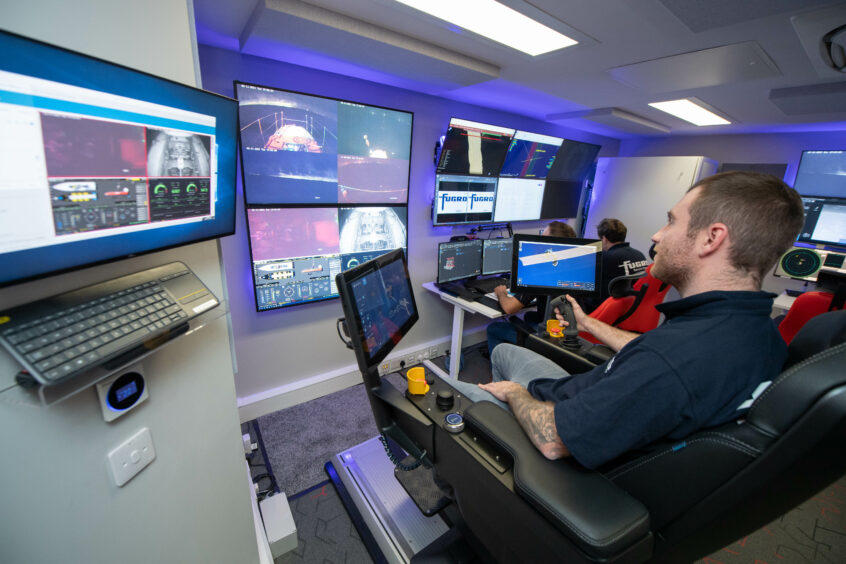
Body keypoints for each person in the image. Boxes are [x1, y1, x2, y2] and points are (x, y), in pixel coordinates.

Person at [448, 171, 805, 469]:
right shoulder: (753, 328)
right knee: (503, 354)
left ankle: (498, 453)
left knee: (447, 392)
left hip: (554, 425)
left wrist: (513, 394)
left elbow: (554, 440)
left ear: (712, 237)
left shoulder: (673, 363)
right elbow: (654, 351)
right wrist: (589, 324)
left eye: (671, 222)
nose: (657, 235)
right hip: (584, 392)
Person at [485, 221, 577, 356]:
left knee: (493, 328)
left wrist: (501, 293)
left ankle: (501, 371)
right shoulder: (575, 267)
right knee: (529, 315)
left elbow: (509, 308)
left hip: (552, 337)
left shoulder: (542, 272)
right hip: (571, 333)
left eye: (542, 239)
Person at [579, 218, 648, 314]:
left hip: (605, 309)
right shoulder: (639, 255)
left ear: (604, 239)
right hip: (630, 307)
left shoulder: (605, 257)